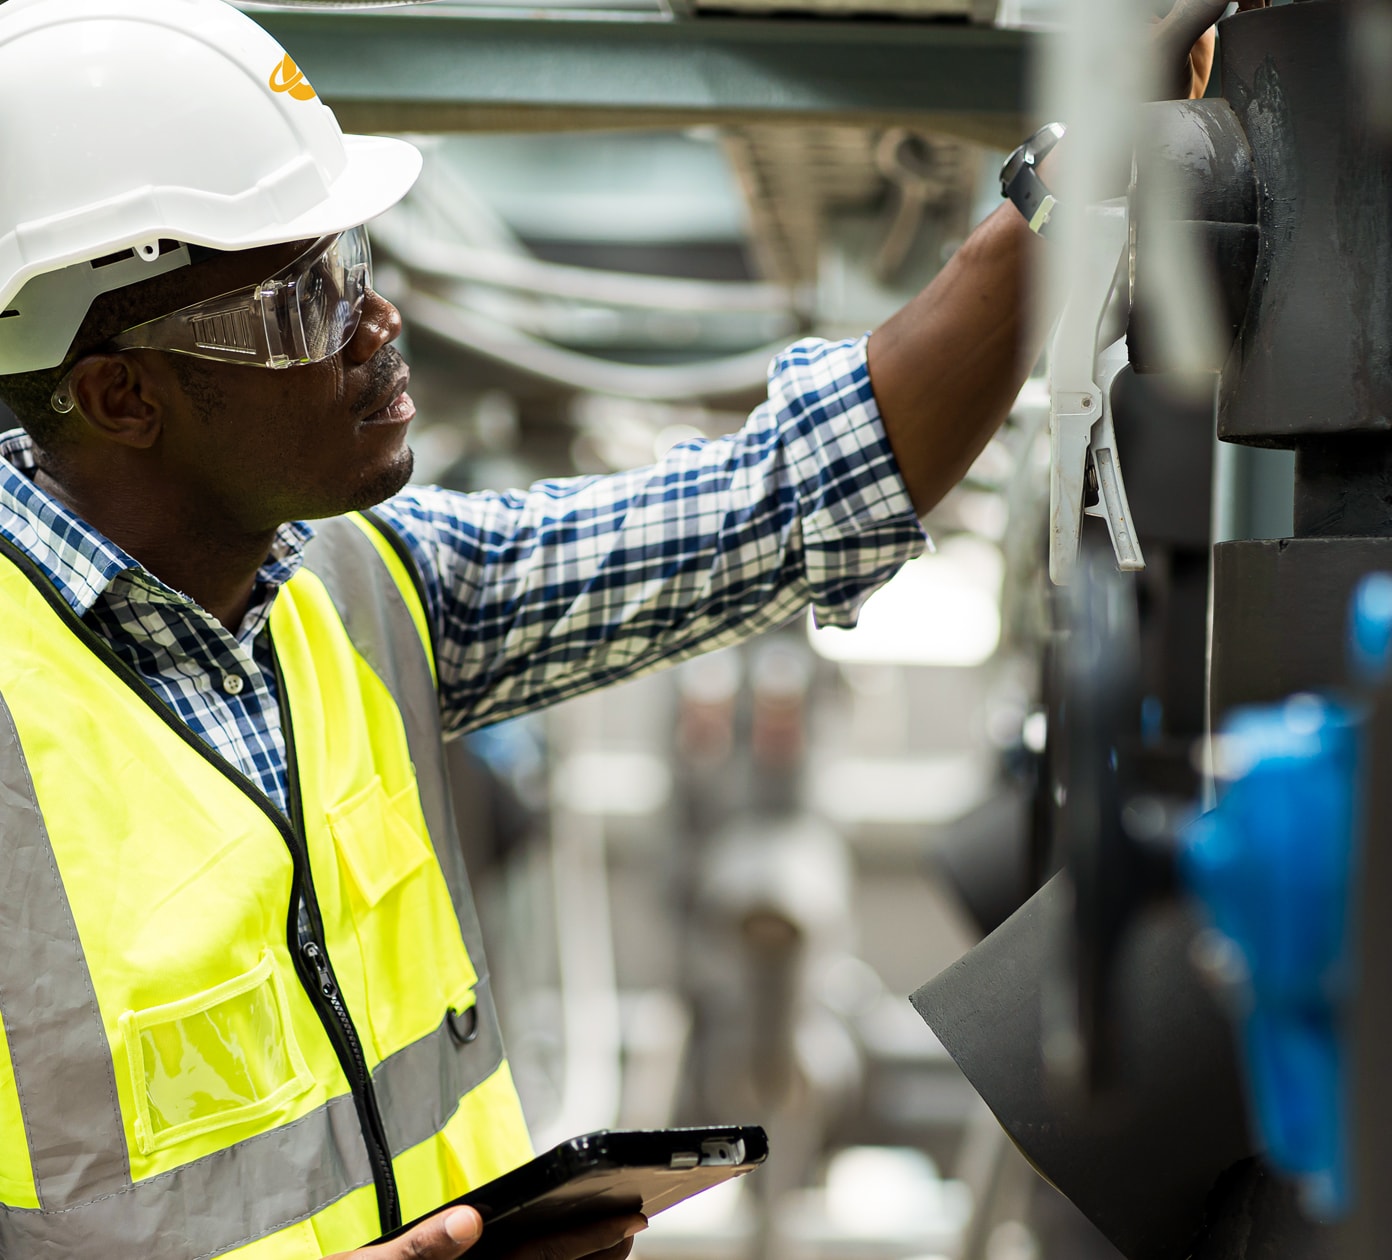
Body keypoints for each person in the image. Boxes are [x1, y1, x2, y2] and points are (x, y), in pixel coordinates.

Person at [0, 1, 1233, 1258]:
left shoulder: (364, 589)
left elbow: (786, 501)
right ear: (120, 394)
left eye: (358, 263)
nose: (378, 327)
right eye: (304, 300)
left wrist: (1079, 180)